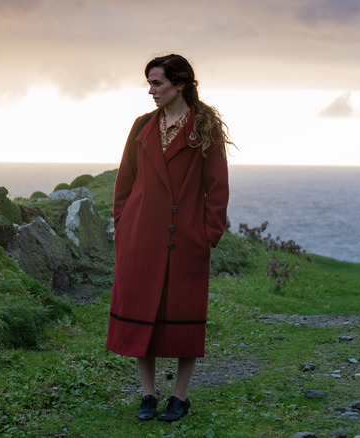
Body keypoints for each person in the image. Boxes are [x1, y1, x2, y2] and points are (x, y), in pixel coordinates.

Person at [106, 54, 232, 422]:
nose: (151, 91)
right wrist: (123, 223)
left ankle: (179, 395)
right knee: (140, 311)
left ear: (179, 84)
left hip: (185, 237)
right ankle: (148, 395)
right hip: (140, 236)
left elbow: (217, 185)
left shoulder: (204, 128)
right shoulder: (142, 126)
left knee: (183, 315)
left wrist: (208, 234)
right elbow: (125, 180)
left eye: (157, 83)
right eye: (149, 83)